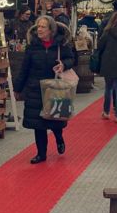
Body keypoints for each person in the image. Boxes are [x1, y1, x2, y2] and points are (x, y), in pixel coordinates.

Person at [14, 15, 74, 164]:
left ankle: (59, 138)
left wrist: (64, 65)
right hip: (36, 88)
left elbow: (72, 59)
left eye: (43, 27)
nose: (39, 29)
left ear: (51, 30)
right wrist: (18, 88)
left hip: (55, 87)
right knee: (38, 124)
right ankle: (41, 153)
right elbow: (24, 68)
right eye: (38, 26)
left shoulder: (61, 45)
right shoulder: (32, 46)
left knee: (55, 120)